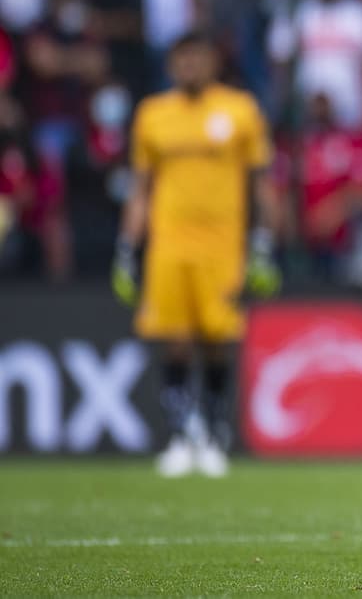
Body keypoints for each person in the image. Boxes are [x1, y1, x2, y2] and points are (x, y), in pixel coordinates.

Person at [111, 30, 281, 478]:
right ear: (171, 65)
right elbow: (141, 190)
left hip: (223, 245)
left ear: (213, 63)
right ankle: (181, 435)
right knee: (176, 339)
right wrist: (128, 247)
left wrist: (262, 241)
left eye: (198, 58)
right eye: (182, 59)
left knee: (217, 340)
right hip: (169, 243)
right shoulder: (153, 115)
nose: (190, 67)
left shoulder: (239, 110)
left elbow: (259, 184)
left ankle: (214, 431)